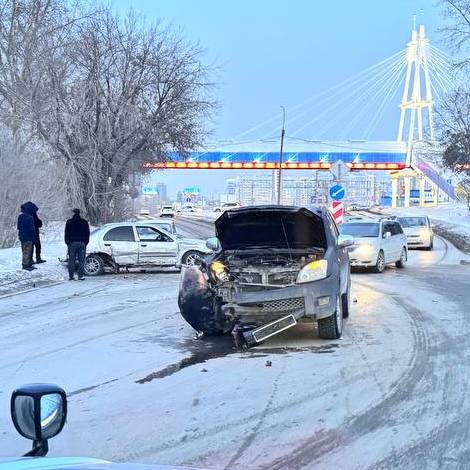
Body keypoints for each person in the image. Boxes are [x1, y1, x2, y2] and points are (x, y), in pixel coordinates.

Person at [64, 208, 90, 281]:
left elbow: (66, 233)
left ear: (73, 213)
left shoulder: (69, 222)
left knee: (71, 260)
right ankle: (80, 276)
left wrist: (67, 242)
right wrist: (85, 242)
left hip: (72, 243)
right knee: (81, 260)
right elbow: (87, 233)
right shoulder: (84, 222)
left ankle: (71, 276)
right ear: (79, 213)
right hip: (82, 243)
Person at [17, 204, 36, 271]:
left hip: (22, 236)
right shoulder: (30, 217)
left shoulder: (20, 216)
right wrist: (34, 235)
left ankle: (27, 264)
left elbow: (18, 227)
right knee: (28, 251)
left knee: (24, 250)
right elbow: (32, 228)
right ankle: (26, 265)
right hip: (28, 236)